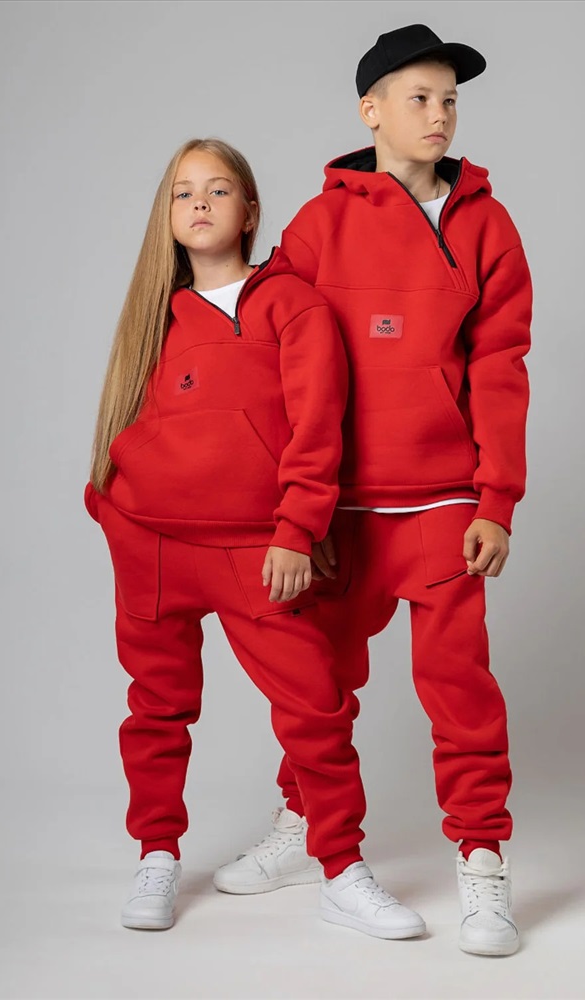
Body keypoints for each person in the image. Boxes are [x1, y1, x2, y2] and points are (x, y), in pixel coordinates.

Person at [213, 26, 533, 957]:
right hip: (341, 508)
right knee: (318, 686)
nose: (440, 115)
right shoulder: (321, 224)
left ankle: (483, 862)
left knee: (460, 689)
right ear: (371, 112)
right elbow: (272, 357)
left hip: (442, 501)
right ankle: (307, 826)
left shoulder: (487, 225)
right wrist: (290, 508)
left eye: (451, 100)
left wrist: (497, 501)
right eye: (419, 98)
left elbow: (502, 368)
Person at [84, 137, 425, 939]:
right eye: (183, 192)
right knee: (156, 708)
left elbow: (318, 427)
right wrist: (112, 510)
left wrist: (298, 529)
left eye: (218, 189)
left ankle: (340, 868)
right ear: (168, 216)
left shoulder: (291, 304)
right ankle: (157, 855)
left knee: (314, 706)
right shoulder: (155, 315)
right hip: (153, 545)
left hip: (256, 548)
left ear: (250, 211)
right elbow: (130, 419)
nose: (199, 203)